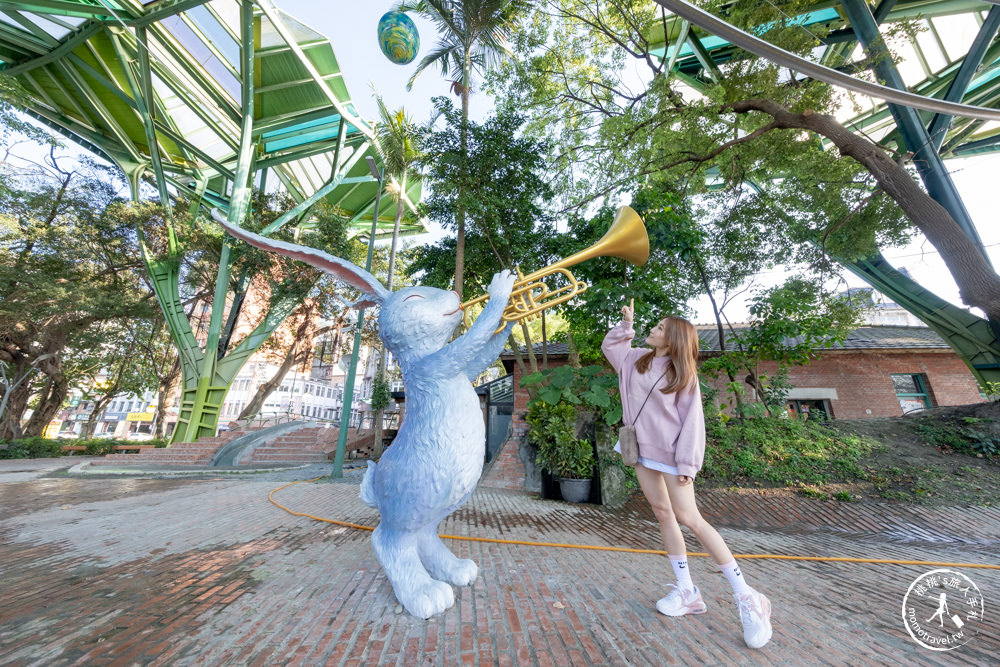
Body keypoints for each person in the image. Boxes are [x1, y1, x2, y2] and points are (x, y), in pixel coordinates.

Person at [602, 299, 773, 650]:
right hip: (641, 451)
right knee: (663, 513)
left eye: (661, 327)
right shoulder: (634, 359)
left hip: (671, 456)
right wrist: (626, 325)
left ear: (674, 339)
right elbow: (611, 346)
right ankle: (687, 592)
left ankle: (747, 596)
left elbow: (693, 423)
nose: (654, 328)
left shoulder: (684, 375)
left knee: (690, 518)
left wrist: (687, 465)